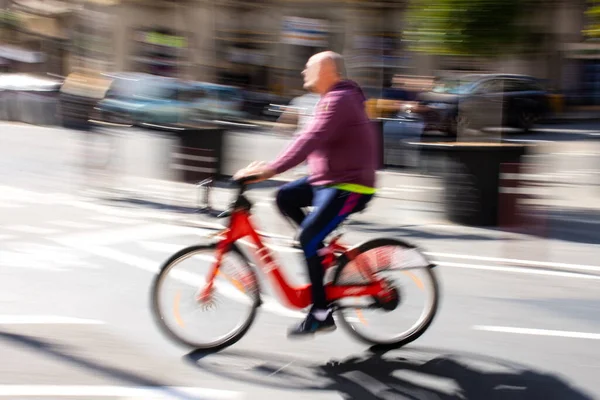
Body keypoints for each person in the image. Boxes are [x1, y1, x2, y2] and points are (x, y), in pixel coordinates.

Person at [233, 51, 378, 337]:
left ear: (328, 70)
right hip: (329, 180)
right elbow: (305, 137)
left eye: (308, 66)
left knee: (308, 237)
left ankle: (321, 313)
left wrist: (272, 169)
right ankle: (319, 250)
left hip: (350, 186)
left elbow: (311, 139)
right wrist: (271, 169)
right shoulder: (330, 99)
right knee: (285, 198)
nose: (303, 71)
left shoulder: (340, 99)